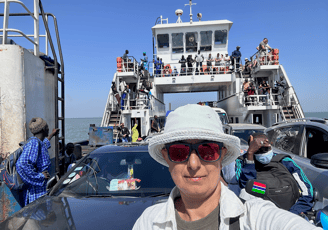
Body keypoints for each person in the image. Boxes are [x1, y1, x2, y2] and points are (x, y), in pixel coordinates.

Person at [133, 104, 318, 230]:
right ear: (166, 157)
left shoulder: (255, 217)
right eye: (179, 152)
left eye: (207, 151)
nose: (194, 164)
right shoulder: (149, 222)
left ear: (221, 155)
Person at [235, 133, 314, 216]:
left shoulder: (284, 161)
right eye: (258, 149)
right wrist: (250, 156)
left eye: (266, 148)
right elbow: (246, 186)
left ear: (270, 144)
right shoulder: (243, 162)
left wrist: (294, 213)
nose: (263, 151)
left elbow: (307, 190)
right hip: (261, 215)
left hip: (291, 213)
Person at [16, 117, 59, 207]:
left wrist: (52, 135)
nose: (48, 128)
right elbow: (22, 164)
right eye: (47, 127)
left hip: (41, 189)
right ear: (43, 129)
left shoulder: (39, 143)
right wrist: (39, 176)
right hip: (36, 191)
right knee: (38, 217)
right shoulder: (34, 143)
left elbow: (44, 146)